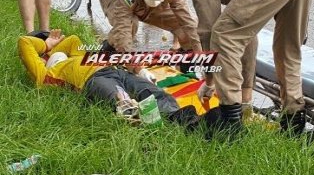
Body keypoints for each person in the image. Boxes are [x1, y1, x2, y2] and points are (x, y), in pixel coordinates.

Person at [173, 0, 314, 134]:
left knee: (223, 35)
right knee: (287, 46)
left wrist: (210, 80)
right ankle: (293, 122)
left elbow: (208, 30)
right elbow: (247, 36)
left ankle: (230, 123)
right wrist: (246, 95)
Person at [17, 30, 201, 128]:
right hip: (93, 80)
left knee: (154, 91)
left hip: (114, 70)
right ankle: (154, 126)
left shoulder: (74, 56)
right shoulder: (47, 76)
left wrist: (52, 49)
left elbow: (72, 40)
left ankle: (186, 121)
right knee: (123, 103)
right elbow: (24, 42)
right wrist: (45, 45)